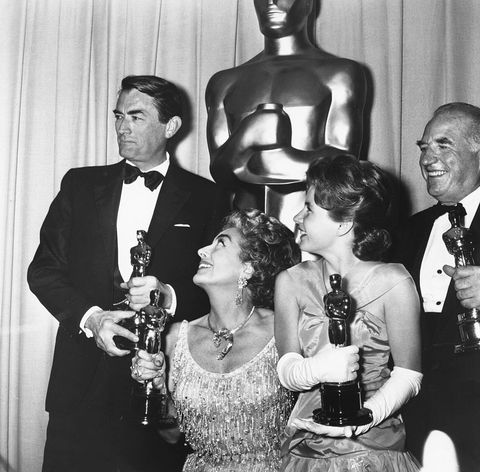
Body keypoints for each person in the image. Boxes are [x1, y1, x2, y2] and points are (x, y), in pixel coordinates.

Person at [27, 75, 228, 472]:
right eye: (119, 115)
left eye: (136, 116)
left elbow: (228, 289)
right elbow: (44, 269)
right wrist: (92, 317)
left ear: (170, 127)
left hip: (164, 389)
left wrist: (169, 296)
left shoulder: (209, 197)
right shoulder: (79, 184)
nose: (121, 127)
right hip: (80, 386)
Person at [274, 154, 423, 470]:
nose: (298, 216)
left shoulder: (394, 281)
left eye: (310, 208)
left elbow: (409, 375)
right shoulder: (290, 281)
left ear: (343, 223)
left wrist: (363, 418)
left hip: (373, 448)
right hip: (306, 448)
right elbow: (286, 369)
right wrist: (316, 369)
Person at [130, 209, 301, 471]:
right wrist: (157, 388)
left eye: (220, 243)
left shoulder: (282, 328)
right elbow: (171, 434)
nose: (202, 250)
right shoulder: (176, 337)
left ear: (249, 267)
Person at [206, 0, 366, 230]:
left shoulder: (340, 73)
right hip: (246, 234)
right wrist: (246, 138)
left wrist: (264, 160)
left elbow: (344, 163)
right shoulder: (224, 82)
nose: (271, 2)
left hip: (312, 233)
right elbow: (219, 171)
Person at [393, 102, 480, 472]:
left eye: (443, 145)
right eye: (423, 147)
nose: (428, 157)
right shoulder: (408, 230)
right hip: (415, 414)